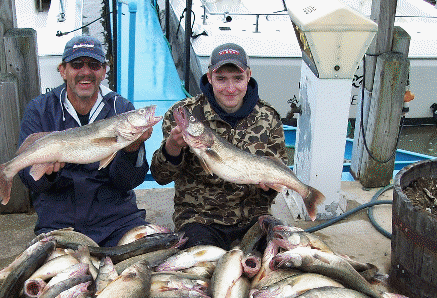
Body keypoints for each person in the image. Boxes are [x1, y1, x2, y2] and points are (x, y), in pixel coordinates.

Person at [150, 43, 288, 252]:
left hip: (253, 217)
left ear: (248, 76)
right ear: (210, 77)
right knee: (201, 265)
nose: (230, 88)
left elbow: (276, 175)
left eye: (238, 78)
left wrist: (270, 187)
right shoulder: (184, 114)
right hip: (200, 218)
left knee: (277, 260)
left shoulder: (268, 118)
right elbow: (161, 176)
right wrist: (172, 148)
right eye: (221, 79)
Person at [18, 35, 152, 246]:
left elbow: (128, 182)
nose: (86, 72)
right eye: (76, 64)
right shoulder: (39, 110)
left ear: (104, 71)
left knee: (146, 262)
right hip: (59, 223)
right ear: (63, 70)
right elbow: (30, 181)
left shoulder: (122, 109)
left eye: (94, 65)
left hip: (117, 221)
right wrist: (48, 174)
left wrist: (132, 150)